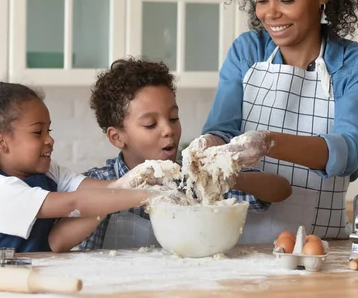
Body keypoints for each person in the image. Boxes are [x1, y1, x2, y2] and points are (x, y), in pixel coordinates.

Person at [188, 0, 358, 242]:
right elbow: (223, 129)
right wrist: (209, 142)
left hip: (318, 244)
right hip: (237, 241)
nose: (270, 13)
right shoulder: (247, 51)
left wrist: (267, 143)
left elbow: (348, 153)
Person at [0, 82, 159, 254]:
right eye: (37, 132)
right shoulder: (1, 191)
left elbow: (60, 237)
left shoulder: (47, 172)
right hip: (8, 285)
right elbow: (74, 203)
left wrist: (143, 177)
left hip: (45, 268)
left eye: (48, 130)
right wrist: (147, 196)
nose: (49, 139)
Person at [79, 58, 292, 250]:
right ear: (117, 137)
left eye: (173, 118)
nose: (168, 130)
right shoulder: (99, 181)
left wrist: (223, 172)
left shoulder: (194, 180)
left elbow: (280, 190)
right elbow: (77, 255)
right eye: (150, 124)